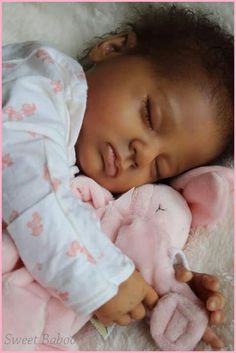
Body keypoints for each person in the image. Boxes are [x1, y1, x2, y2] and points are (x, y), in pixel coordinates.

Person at [3, 5, 232, 348]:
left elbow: (95, 225)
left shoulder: (82, 187)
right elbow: (31, 185)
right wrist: (103, 277)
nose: (143, 154)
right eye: (150, 116)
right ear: (112, 49)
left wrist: (164, 283)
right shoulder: (41, 78)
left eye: (159, 168)